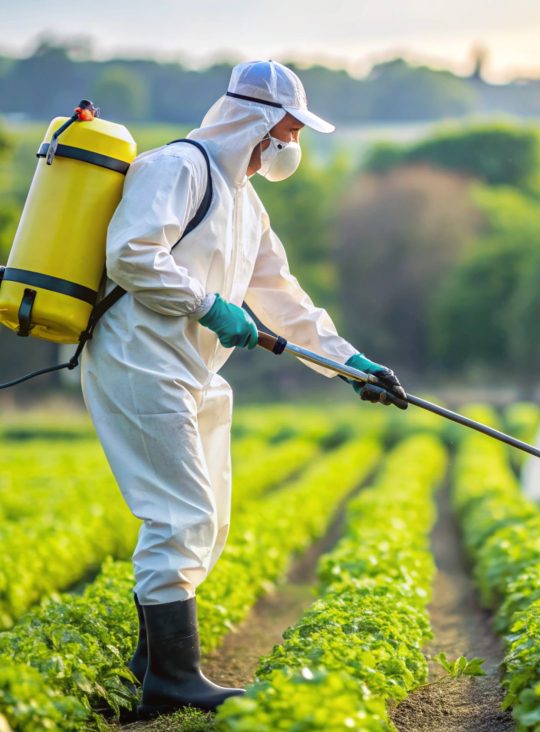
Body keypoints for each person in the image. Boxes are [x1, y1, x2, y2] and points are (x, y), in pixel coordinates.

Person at [80, 60, 406, 718]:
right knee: (181, 516)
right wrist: (213, 307)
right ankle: (174, 679)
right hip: (140, 358)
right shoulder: (176, 169)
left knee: (211, 520)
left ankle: (150, 664)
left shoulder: (247, 206)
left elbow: (287, 304)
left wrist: (355, 367)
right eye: (286, 131)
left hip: (194, 370)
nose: (290, 146)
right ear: (252, 122)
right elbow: (133, 255)